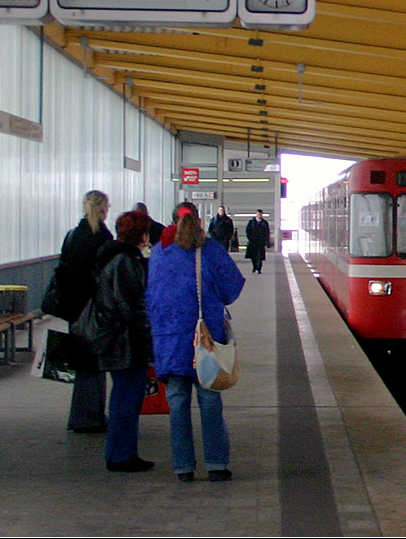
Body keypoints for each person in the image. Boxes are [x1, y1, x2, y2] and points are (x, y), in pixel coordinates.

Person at [146, 204, 245, 483]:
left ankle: (183, 468)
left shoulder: (159, 252)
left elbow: (151, 296)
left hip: (169, 341)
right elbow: (231, 288)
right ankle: (216, 465)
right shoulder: (210, 250)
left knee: (177, 405)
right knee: (210, 401)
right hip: (205, 340)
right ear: (200, 222)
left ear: (171, 221)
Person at [80, 210, 155, 473]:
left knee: (125, 397)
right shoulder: (126, 262)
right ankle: (121, 455)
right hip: (125, 342)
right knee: (126, 399)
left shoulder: (114, 257)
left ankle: (124, 452)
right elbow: (130, 306)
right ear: (142, 234)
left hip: (118, 340)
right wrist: (148, 334)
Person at [60, 190, 113, 433]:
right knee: (94, 364)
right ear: (104, 209)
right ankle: (90, 417)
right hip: (95, 309)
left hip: (74, 309)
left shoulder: (73, 236)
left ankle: (83, 414)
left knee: (83, 365)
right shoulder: (102, 237)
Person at [244, 209, 271, 274]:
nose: (259, 215)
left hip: (260, 242)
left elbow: (267, 232)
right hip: (252, 242)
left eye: (260, 214)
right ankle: (254, 266)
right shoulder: (251, 222)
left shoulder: (264, 223)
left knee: (259, 256)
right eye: (258, 214)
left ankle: (258, 268)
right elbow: (248, 231)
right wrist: (250, 238)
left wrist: (266, 240)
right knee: (253, 255)